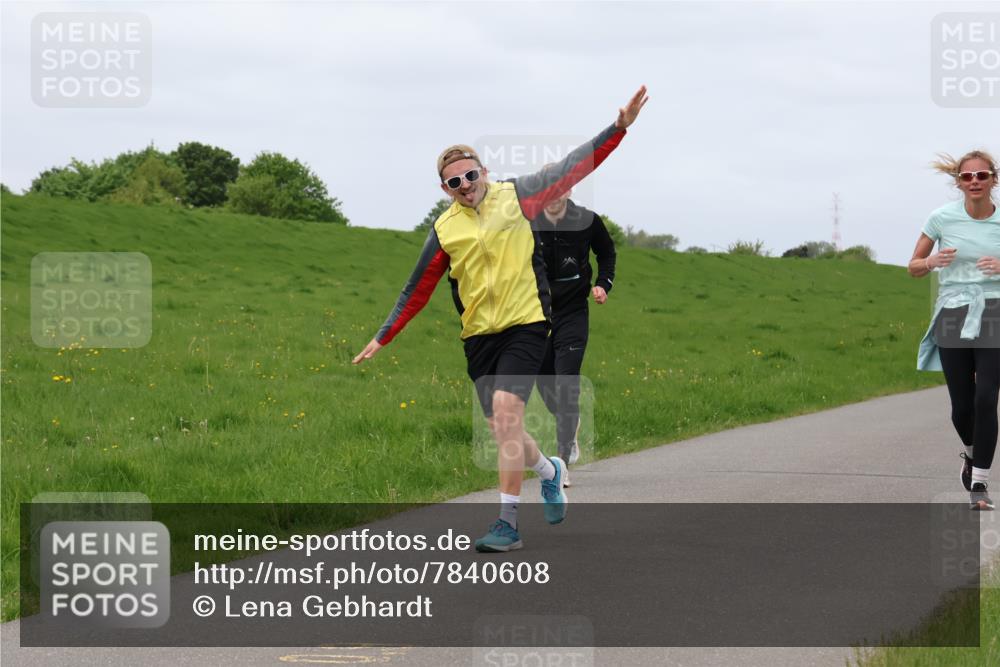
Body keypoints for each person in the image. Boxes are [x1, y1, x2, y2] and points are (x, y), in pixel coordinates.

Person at [353, 86, 649, 551]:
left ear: (484, 172)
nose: (465, 185)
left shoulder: (519, 196)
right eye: (455, 183)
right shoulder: (444, 228)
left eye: (470, 175)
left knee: (509, 414)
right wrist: (384, 336)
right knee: (503, 428)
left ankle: (507, 523)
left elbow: (574, 163)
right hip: (479, 338)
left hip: (526, 324)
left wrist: (619, 128)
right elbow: (417, 288)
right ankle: (549, 470)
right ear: (444, 189)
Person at [909, 150, 1000, 511]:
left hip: (995, 308)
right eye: (967, 177)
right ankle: (972, 454)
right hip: (952, 310)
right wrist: (931, 261)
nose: (974, 181)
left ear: (994, 179)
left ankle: (980, 484)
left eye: (982, 175)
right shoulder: (941, 218)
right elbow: (913, 267)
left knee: (985, 398)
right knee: (962, 405)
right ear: (958, 182)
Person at [533, 186, 616, 487]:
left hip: (573, 312)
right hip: (536, 312)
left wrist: (603, 283)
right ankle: (569, 425)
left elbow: (606, 251)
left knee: (566, 381)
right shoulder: (527, 220)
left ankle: (562, 464)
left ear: (569, 189)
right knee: (544, 381)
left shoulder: (587, 220)